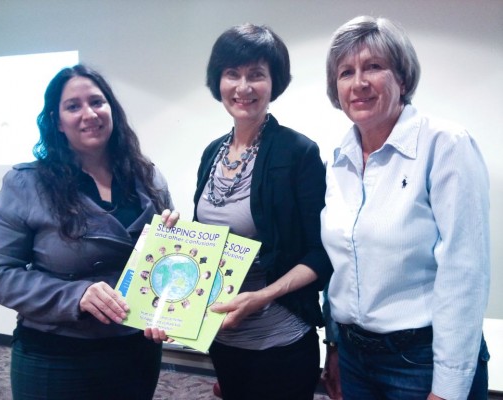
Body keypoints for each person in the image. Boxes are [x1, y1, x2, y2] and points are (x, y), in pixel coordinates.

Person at [0, 64, 179, 400]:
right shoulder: (26, 182)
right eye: (73, 106)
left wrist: (174, 252)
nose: (89, 113)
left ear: (111, 110)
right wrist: (76, 295)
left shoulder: (148, 177)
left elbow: (164, 264)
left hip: (135, 350)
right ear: (57, 121)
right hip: (56, 355)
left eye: (97, 102)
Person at [320, 16, 490, 400]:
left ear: (403, 79)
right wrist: (334, 346)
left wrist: (448, 387)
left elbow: (464, 272)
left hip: (421, 362)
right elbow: (341, 267)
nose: (359, 82)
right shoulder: (340, 158)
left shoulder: (445, 145)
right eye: (346, 72)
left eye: (374, 67)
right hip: (354, 357)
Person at [194, 23, 332, 399]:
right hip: (223, 337)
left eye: (256, 75)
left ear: (274, 83)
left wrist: (263, 296)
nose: (243, 87)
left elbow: (322, 253)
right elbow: (207, 243)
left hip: (280, 340)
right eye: (232, 74)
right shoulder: (211, 154)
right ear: (217, 81)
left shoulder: (297, 153)